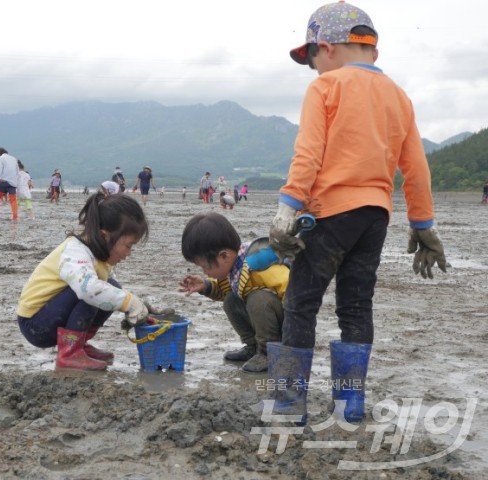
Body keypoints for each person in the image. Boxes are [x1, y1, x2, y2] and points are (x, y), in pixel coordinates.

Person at [267, 1, 447, 425]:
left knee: (301, 302)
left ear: (325, 48)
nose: (313, 70)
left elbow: (308, 152)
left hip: (330, 212)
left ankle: (290, 403)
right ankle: (350, 403)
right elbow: (416, 168)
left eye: (312, 60)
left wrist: (287, 207)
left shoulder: (325, 88)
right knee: (355, 306)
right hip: (374, 216)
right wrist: (422, 223)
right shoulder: (398, 96)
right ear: (373, 52)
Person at [16, 192, 152, 371]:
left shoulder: (97, 257)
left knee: (111, 288)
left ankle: (77, 345)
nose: (129, 253)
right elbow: (88, 290)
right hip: (36, 325)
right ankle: (69, 352)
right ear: (105, 236)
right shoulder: (75, 252)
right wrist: (129, 302)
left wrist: (139, 307)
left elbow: (114, 294)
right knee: (92, 290)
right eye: (128, 246)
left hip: (50, 318)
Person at [179, 212, 288, 373]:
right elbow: (225, 291)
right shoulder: (234, 266)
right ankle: (254, 347)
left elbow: (290, 289)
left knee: (258, 299)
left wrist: (295, 330)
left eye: (206, 267)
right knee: (231, 300)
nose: (205, 272)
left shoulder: (258, 263)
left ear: (224, 256)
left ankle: (268, 352)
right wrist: (206, 287)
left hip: (287, 323)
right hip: (269, 320)